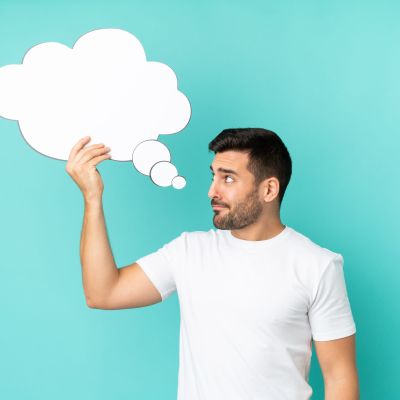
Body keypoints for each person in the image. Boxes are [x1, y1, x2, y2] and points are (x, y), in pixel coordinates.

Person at [66, 128, 359, 400]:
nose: (212, 191)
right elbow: (103, 293)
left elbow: (339, 376)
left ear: (269, 190)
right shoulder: (189, 250)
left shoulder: (318, 265)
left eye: (228, 178)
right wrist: (92, 197)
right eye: (213, 176)